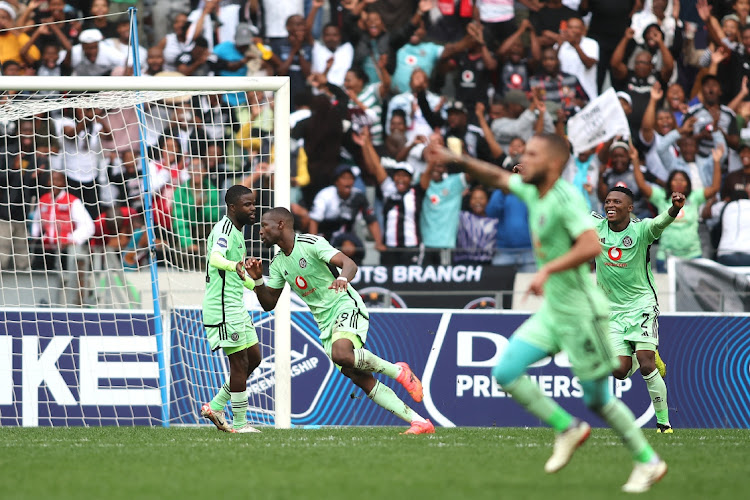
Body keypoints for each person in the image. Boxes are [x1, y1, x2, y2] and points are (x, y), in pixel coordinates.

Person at [425, 133, 667, 493]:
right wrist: (452, 157)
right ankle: (567, 427)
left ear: (553, 164)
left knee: (598, 400)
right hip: (554, 312)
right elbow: (496, 177)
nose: (524, 157)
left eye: (533, 153)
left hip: (583, 314)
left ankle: (649, 462)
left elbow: (589, 245)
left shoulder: (567, 198)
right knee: (505, 371)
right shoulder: (531, 190)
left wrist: (547, 270)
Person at [246, 207, 434, 435]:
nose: (260, 232)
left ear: (281, 225)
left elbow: (349, 264)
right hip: (325, 324)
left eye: (265, 226)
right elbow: (269, 303)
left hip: (344, 305)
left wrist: (343, 278)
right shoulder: (277, 264)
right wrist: (257, 281)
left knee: (342, 354)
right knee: (360, 378)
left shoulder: (311, 243)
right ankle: (420, 422)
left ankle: (398, 371)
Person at [592, 185, 685, 434]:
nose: (610, 205)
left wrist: (675, 208)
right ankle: (646, 354)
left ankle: (664, 423)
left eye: (617, 202)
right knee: (620, 371)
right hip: (610, 310)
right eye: (608, 201)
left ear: (630, 208)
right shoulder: (596, 227)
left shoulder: (642, 229)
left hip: (642, 304)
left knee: (645, 364)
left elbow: (661, 222)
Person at [199, 185, 263, 434]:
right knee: (239, 363)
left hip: (236, 305)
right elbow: (216, 259)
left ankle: (215, 406)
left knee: (254, 358)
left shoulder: (238, 232)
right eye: (248, 204)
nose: (253, 209)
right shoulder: (224, 229)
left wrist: (256, 283)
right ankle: (240, 423)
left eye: (253, 204)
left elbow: (237, 273)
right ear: (233, 207)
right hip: (223, 308)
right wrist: (235, 264)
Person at [632, 144, 723, 272]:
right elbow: (642, 185)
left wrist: (716, 161)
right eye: (675, 180)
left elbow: (714, 188)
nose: (679, 182)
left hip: (693, 256)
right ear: (669, 183)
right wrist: (635, 160)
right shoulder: (661, 197)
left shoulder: (694, 197)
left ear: (688, 184)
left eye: (682, 180)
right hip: (666, 257)